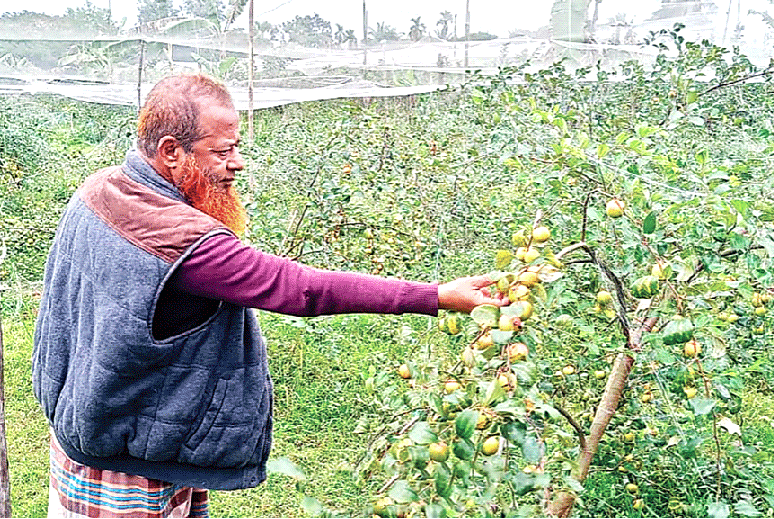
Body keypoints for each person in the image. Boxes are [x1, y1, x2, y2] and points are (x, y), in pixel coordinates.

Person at [32, 74, 507, 518]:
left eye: (236, 147)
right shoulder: (183, 242)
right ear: (171, 151)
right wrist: (438, 295)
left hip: (90, 422)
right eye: (222, 151)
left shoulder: (100, 189)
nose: (236, 163)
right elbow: (302, 290)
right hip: (134, 461)